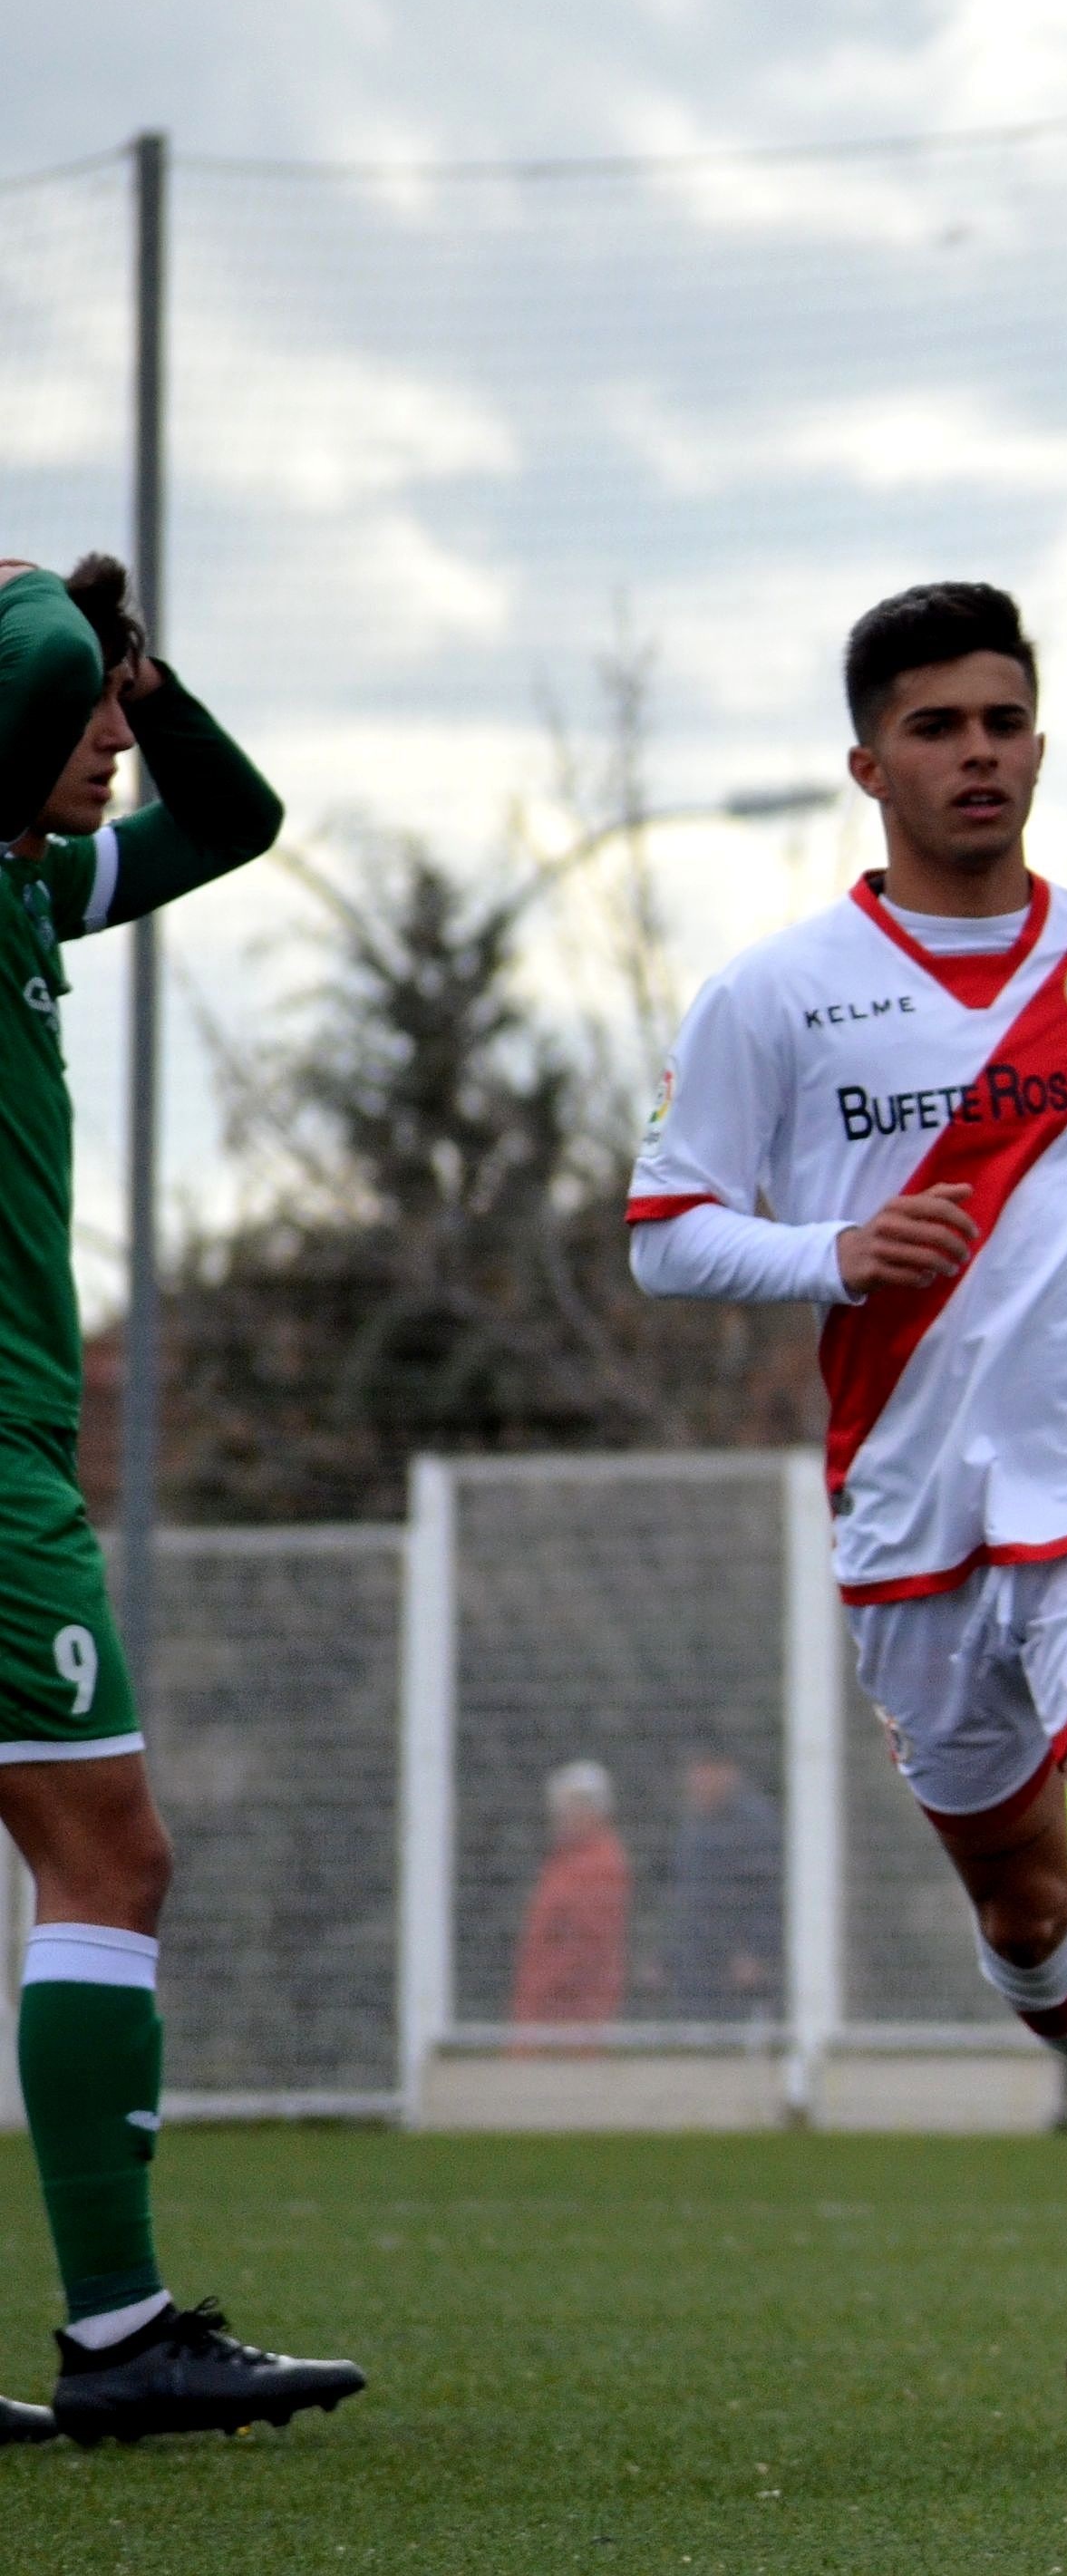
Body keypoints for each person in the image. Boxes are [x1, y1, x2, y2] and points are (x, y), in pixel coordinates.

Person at [627, 582, 1067, 2436]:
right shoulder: (772, 993)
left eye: (1001, 721)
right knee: (1022, 1895)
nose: (974, 753)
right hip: (910, 1510)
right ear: (868, 764)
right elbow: (668, 1235)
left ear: (1038, 746)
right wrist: (833, 1252)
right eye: (935, 727)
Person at [0, 552, 357, 2447]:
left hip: (15, 1442)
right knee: (111, 1860)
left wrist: (133, 657)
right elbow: (30, 648)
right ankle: (124, 2338)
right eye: (87, 716)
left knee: (87, 1862)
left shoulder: (30, 887)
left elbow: (243, 819)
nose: (113, 734)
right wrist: (33, 602)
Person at [509, 1759, 632, 2039]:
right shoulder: (566, 1860)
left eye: (571, 1806)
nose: (561, 1816)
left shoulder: (599, 1864)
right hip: (545, 2010)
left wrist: (545, 1989)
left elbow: (588, 1944)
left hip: (569, 2017)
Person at [666, 1749, 784, 2026]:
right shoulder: (693, 1826)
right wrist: (666, 1955)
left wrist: (755, 1953)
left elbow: (765, 1895)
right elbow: (683, 1896)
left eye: (707, 1771)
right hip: (695, 1961)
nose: (698, 1780)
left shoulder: (754, 1825)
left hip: (732, 1969)